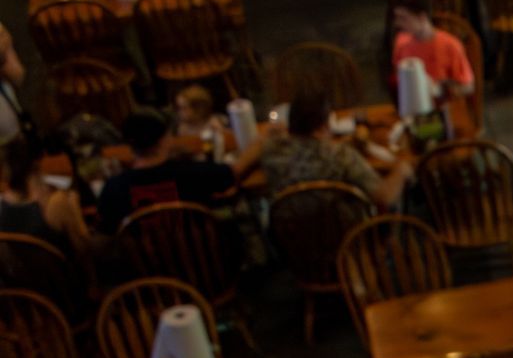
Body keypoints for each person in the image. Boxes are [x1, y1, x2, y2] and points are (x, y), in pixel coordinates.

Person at [95, 108, 262, 232]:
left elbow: (107, 228)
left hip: (149, 273)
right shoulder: (189, 173)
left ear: (129, 145)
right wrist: (259, 144)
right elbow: (234, 171)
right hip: (204, 261)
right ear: (164, 140)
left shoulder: (113, 188)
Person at [260, 90, 412, 208]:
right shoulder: (341, 156)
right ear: (322, 127)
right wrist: (401, 169)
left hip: (292, 242)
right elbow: (384, 197)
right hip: (346, 240)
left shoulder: (271, 149)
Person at [0, 139, 88, 255]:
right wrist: (75, 210)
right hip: (63, 272)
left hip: (21, 272)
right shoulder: (56, 202)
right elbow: (84, 250)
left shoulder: (2, 206)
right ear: (38, 161)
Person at [390, 0, 475, 102]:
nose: (397, 23)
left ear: (422, 17)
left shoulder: (450, 45)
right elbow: (398, 80)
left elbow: (468, 87)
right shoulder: (401, 41)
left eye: (403, 18)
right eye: (397, 18)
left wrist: (440, 90)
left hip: (441, 103)